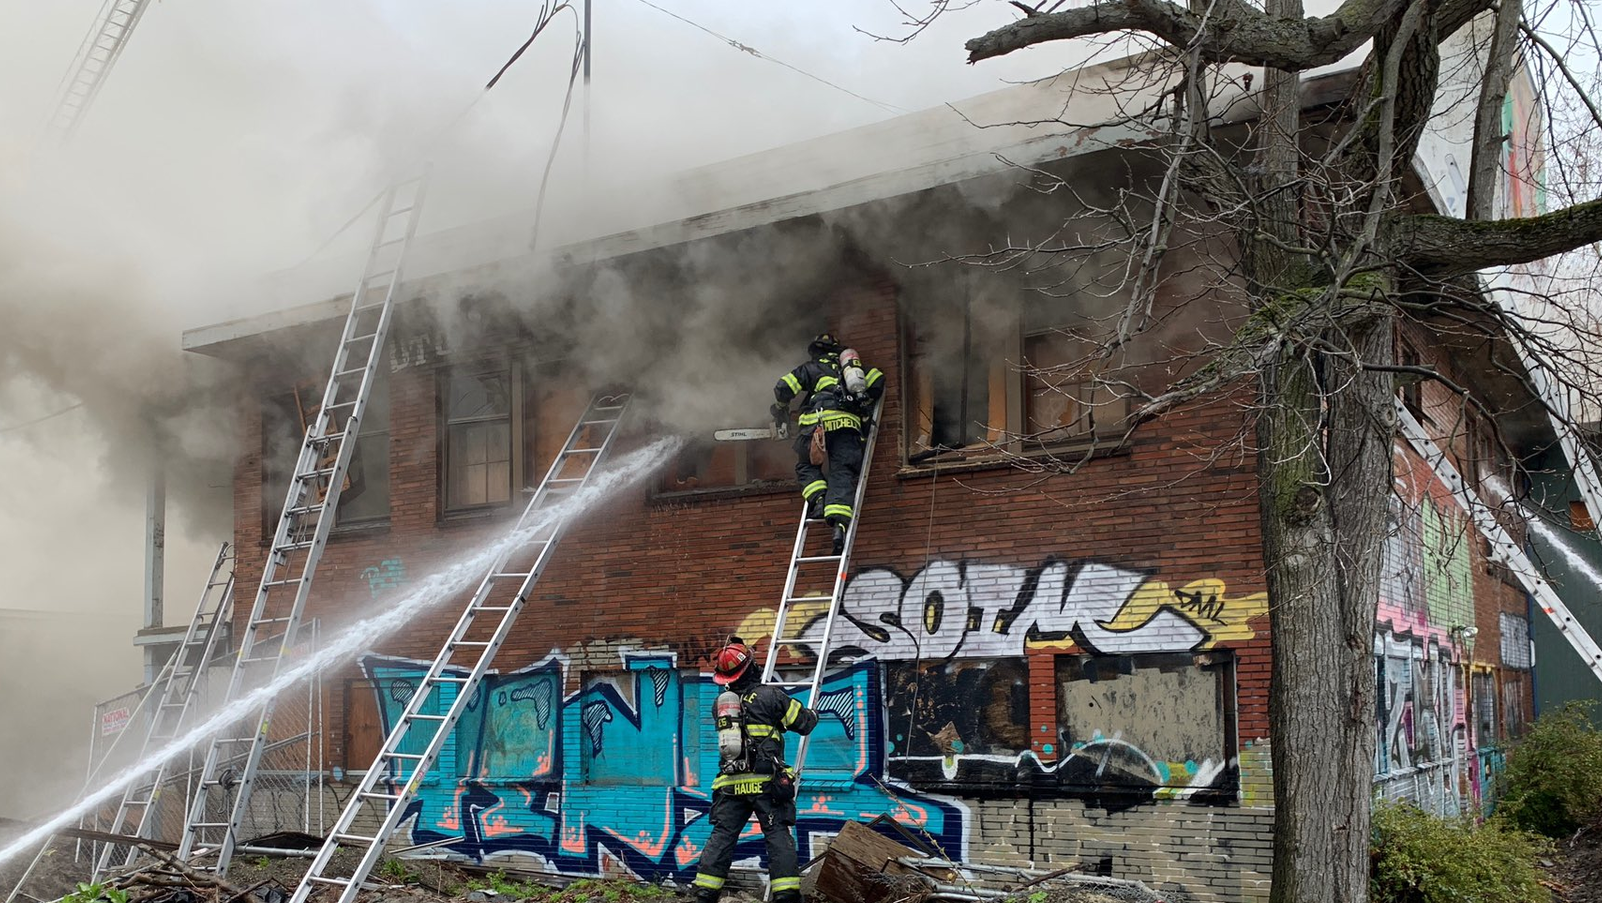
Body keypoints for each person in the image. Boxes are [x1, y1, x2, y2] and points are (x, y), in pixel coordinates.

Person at [692, 638, 819, 903]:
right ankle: (786, 896)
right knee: (777, 835)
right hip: (767, 784)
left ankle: (704, 892)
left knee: (722, 837)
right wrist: (813, 714)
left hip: (730, 784)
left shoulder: (720, 705)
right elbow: (804, 723)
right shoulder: (770, 696)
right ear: (751, 667)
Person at [771, 333, 886, 553]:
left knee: (806, 466)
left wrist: (780, 407)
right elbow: (878, 379)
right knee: (842, 471)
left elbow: (783, 386)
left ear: (815, 351)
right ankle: (839, 528)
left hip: (816, 426)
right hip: (847, 428)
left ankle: (818, 500)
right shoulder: (853, 369)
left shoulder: (810, 368)